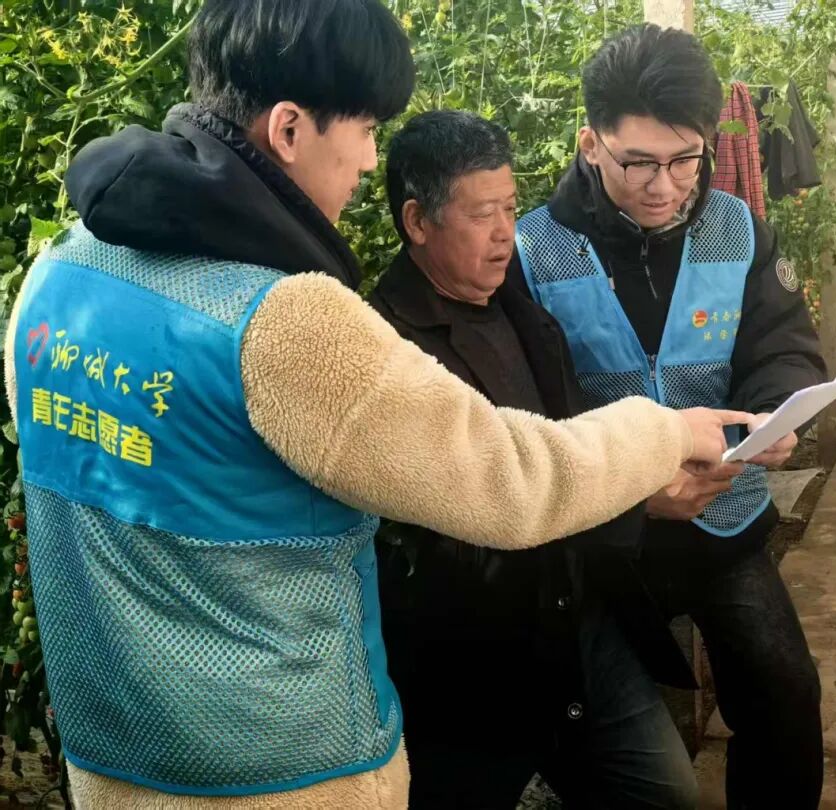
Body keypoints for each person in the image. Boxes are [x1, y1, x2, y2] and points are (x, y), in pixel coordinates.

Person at [3, 4, 743, 808]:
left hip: (116, 757)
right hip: (282, 770)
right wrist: (663, 431)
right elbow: (509, 480)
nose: (367, 162)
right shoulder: (285, 320)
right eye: (363, 130)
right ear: (290, 129)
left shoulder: (62, 273)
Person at [514, 24, 829, 810]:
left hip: (723, 517)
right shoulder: (534, 250)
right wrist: (627, 486)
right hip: (601, 538)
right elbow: (524, 404)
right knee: (601, 741)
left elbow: (782, 343)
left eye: (685, 160)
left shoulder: (737, 230)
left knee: (785, 694)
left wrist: (776, 411)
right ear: (591, 144)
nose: (665, 186)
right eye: (640, 163)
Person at [372, 110, 720, 809]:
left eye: (509, 207)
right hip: (474, 660)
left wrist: (641, 484)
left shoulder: (524, 313)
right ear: (417, 221)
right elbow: (471, 511)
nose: (506, 232)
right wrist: (639, 498)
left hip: (578, 624)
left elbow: (572, 443)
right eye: (481, 215)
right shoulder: (388, 351)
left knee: (668, 795)